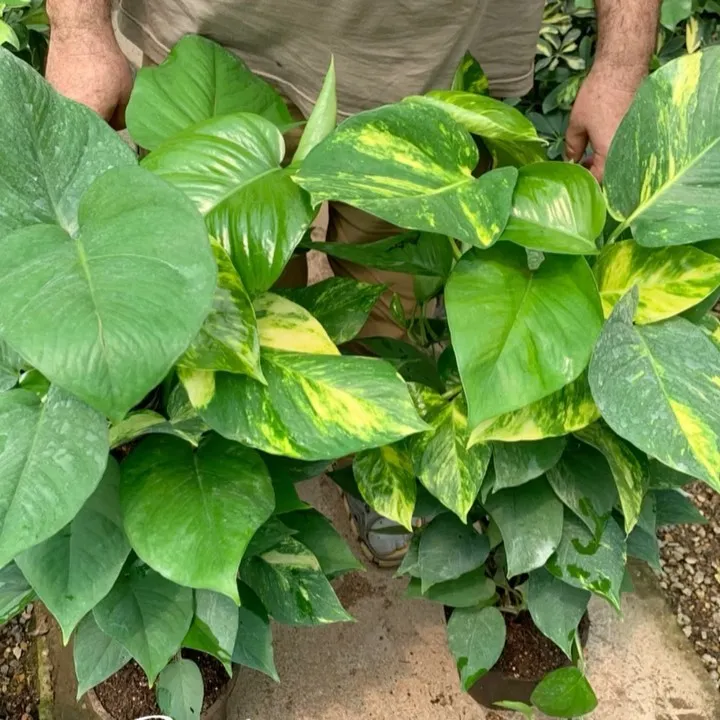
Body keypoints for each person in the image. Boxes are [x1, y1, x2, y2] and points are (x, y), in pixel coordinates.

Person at [43, 0, 660, 562]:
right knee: (229, 311)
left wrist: (621, 62)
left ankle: (377, 456)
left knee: (393, 300)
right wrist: (78, 27)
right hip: (217, 39)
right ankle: (243, 478)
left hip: (425, 63)